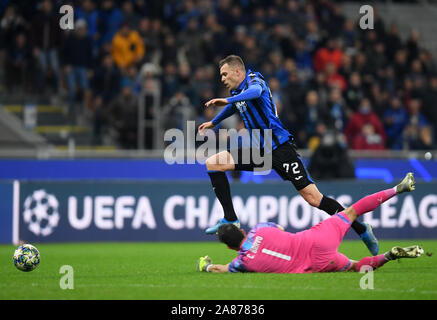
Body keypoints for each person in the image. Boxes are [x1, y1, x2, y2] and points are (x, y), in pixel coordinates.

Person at [198, 55, 379, 255]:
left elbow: (255, 92)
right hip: (261, 152)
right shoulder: (237, 92)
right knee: (213, 163)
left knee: (314, 198)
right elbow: (235, 105)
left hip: (281, 149)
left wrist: (228, 99)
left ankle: (362, 230)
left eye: (225, 74)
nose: (222, 79)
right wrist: (214, 122)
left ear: (238, 71)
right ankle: (231, 218)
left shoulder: (254, 80)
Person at [197, 173, 423, 274]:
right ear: (242, 230)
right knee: (352, 211)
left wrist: (205, 265)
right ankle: (397, 188)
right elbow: (281, 229)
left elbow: (220, 268)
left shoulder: (241, 264)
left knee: (356, 266)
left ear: (229, 247)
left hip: (317, 262)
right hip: (315, 239)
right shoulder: (259, 229)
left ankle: (389, 256)